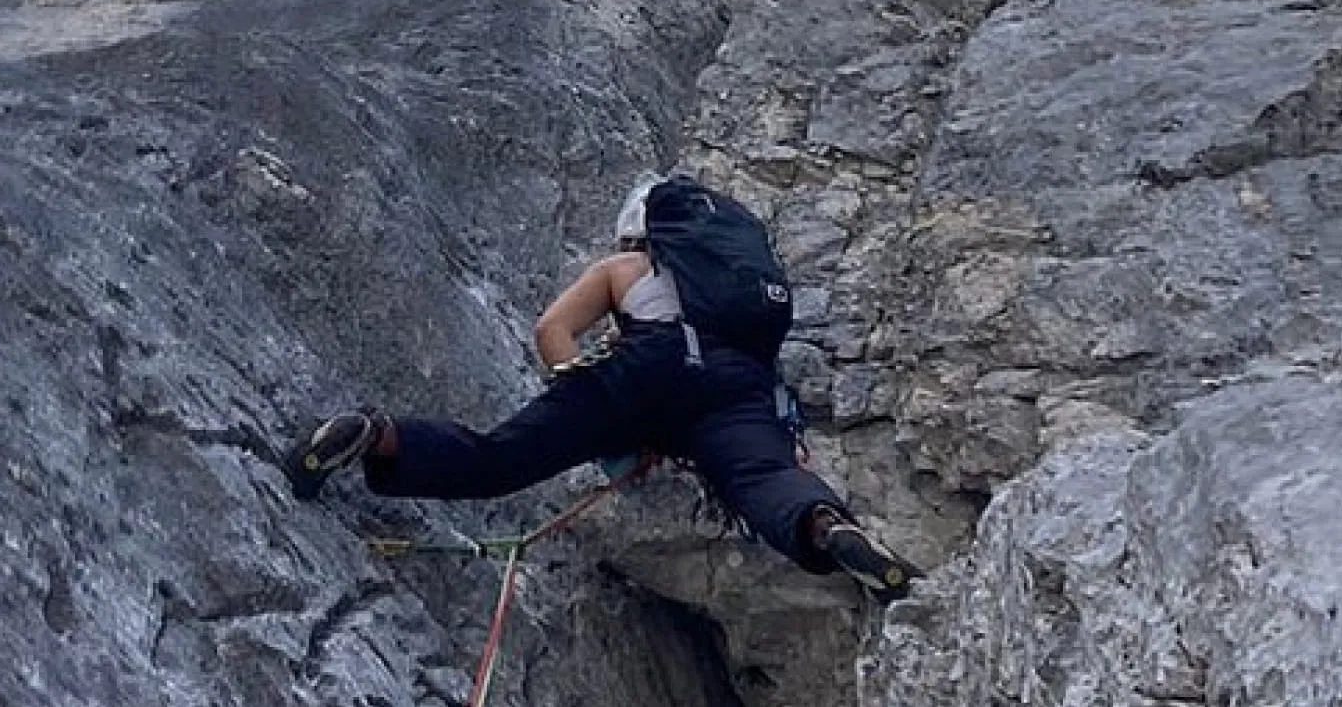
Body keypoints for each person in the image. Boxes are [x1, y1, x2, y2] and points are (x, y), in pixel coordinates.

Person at [286, 174, 921, 603]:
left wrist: (590, 410)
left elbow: (552, 331)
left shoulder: (624, 267)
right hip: (736, 386)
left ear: (634, 231)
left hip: (642, 369)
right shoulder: (730, 289)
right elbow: (761, 390)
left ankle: (375, 435)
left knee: (497, 458)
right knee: (761, 481)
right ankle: (825, 527)